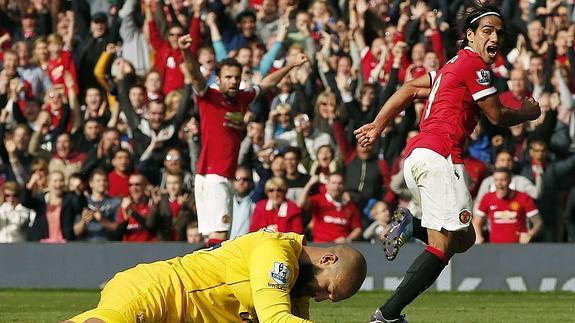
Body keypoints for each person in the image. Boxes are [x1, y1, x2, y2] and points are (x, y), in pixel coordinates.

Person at [355, 5, 541, 322]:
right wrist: (528, 112)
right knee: (443, 246)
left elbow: (411, 86)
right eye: (487, 30)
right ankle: (387, 315)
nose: (495, 36)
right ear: (469, 35)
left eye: (498, 31)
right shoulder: (475, 66)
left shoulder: (449, 68)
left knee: (464, 239)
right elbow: (497, 115)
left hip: (417, 159)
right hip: (440, 157)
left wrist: (378, 123)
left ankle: (409, 225)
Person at [66, 230, 367, 323]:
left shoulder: (295, 286)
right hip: (161, 293)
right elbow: (276, 321)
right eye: (328, 289)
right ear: (328, 259)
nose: (320, 297)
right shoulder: (276, 253)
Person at [181, 33, 309, 246]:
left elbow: (267, 83)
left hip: (224, 176)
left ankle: (209, 276)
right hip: (214, 176)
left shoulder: (241, 99)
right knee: (220, 238)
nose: (233, 81)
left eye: (236, 78)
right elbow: (195, 76)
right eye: (228, 77)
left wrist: (291, 65)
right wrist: (186, 52)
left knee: (219, 237)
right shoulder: (209, 96)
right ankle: (216, 278)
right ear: (218, 79)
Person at [473, 168, 543, 244]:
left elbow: (538, 222)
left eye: (503, 180)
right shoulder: (487, 198)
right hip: (495, 248)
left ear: (510, 181)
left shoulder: (523, 197)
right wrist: (478, 236)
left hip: (518, 247)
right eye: (496, 180)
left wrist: (530, 234)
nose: (499, 183)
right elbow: (477, 221)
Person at [298, 173, 363, 243]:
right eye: (333, 183)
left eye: (340, 183)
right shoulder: (318, 200)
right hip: (320, 247)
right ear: (327, 185)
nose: (336, 187)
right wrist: (310, 184)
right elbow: (300, 204)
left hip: (341, 248)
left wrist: (348, 239)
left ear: (344, 186)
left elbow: (358, 229)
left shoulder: (350, 206)